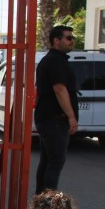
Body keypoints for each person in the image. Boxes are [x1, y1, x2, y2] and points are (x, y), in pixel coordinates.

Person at [35, 25, 78, 194]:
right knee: (55, 162)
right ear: (56, 40)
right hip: (55, 120)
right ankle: (48, 204)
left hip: (49, 120)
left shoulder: (53, 60)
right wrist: (71, 116)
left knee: (47, 161)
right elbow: (60, 89)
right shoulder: (55, 61)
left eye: (72, 38)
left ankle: (41, 202)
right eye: (68, 38)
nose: (72, 41)